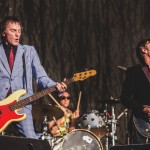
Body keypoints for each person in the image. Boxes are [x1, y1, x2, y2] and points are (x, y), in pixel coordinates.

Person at [0, 16, 67, 139]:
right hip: (1, 106)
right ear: (4, 32)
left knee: (31, 140)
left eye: (19, 31)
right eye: (13, 31)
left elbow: (41, 77)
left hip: (22, 104)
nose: (17, 34)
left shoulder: (28, 51)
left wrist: (54, 85)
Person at [120, 38, 150, 144]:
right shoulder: (134, 72)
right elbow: (124, 98)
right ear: (143, 50)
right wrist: (143, 108)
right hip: (142, 124)